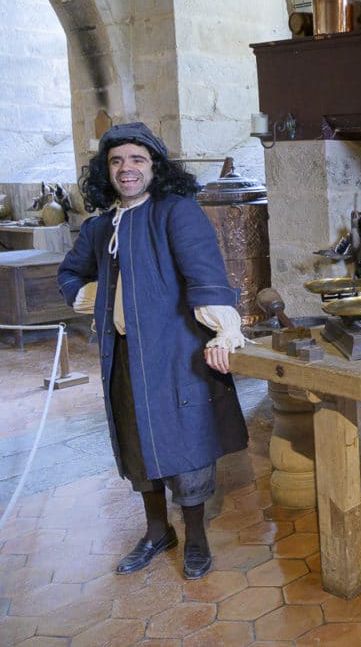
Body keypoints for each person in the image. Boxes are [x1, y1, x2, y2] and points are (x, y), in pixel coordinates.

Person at [57, 121, 247, 580]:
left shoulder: (176, 212)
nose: (127, 168)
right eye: (117, 160)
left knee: (187, 441)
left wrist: (223, 331)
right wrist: (103, 296)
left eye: (137, 159)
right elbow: (69, 276)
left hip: (177, 352)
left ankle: (196, 536)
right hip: (122, 354)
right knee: (136, 439)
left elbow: (205, 276)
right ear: (107, 171)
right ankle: (157, 529)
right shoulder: (101, 227)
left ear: (155, 168)